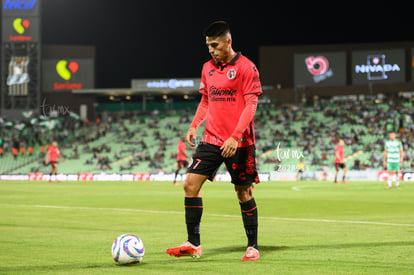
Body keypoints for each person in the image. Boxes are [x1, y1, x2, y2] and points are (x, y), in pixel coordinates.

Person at [166, 21, 262, 261]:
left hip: (238, 142)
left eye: (215, 45)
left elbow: (251, 105)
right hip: (211, 139)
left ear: (228, 42)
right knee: (190, 184)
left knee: (243, 192)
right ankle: (193, 243)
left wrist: (235, 136)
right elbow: (206, 101)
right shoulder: (207, 68)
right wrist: (194, 125)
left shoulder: (246, 67)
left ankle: (252, 246)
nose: (211, 50)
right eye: (208, 45)